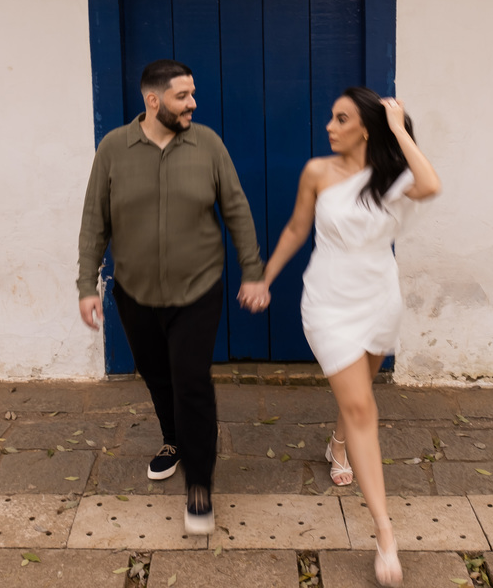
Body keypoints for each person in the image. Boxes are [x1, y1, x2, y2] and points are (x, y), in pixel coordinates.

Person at [246, 87, 440, 587]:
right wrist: (264, 278)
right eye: (331, 117)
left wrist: (398, 129)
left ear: (366, 128)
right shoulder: (317, 171)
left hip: (378, 298)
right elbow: (295, 228)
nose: (330, 126)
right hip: (328, 301)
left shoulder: (392, 178)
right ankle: (384, 533)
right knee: (361, 407)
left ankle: (338, 445)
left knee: (358, 397)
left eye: (341, 118)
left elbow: (432, 184)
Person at [76, 59, 269, 535]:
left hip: (197, 290)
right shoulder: (114, 149)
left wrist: (253, 272)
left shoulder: (207, 145)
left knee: (191, 381)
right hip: (135, 293)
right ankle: (172, 440)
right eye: (183, 96)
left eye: (193, 94)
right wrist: (87, 285)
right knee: (158, 376)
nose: (193, 104)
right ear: (153, 100)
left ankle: (199, 485)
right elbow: (94, 220)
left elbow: (237, 209)